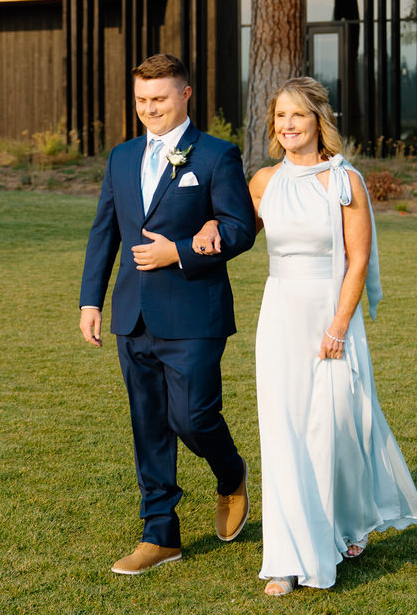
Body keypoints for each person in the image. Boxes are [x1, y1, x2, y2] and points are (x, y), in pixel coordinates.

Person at [199, 77, 417, 596]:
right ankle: (285, 560)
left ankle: (345, 524)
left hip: (330, 317)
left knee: (334, 430)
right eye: (280, 116)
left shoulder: (345, 181)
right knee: (282, 433)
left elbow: (358, 261)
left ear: (317, 122)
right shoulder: (262, 182)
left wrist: (338, 327)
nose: (287, 125)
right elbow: (239, 231)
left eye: (298, 116)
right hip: (280, 314)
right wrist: (212, 227)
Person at [78, 54, 257, 576]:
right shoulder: (121, 156)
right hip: (131, 316)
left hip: (194, 314)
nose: (149, 109)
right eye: (140, 100)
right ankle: (160, 536)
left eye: (159, 98)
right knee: (149, 425)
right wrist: (91, 301)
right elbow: (104, 232)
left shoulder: (216, 156)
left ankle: (231, 474)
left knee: (192, 418)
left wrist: (180, 250)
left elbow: (240, 227)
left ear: (185, 95)